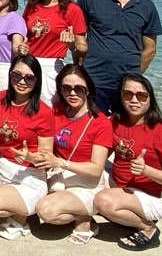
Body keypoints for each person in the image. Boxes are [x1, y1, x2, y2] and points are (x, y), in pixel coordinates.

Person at [94, 73, 162, 251]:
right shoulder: (116, 122)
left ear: (150, 98)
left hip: (153, 197)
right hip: (121, 185)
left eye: (141, 95)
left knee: (102, 201)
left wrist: (146, 170)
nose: (134, 100)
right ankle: (126, 216)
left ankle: (148, 228)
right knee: (83, 176)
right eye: (128, 94)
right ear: (120, 97)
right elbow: (101, 154)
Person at [76, 0, 162, 113]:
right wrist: (80, 72)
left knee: (124, 134)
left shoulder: (147, 6)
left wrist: (134, 76)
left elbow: (150, 49)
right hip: (93, 81)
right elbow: (78, 39)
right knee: (93, 131)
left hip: (128, 88)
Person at [32, 64, 113, 245]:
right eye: (66, 88)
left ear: (88, 89)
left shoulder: (100, 122)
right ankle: (79, 211)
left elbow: (96, 169)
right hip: (59, 176)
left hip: (86, 180)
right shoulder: (58, 111)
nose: (72, 93)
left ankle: (85, 219)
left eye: (79, 88)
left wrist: (61, 163)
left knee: (46, 211)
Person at [0, 58, 54, 239]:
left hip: (29, 176)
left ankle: (21, 219)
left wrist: (31, 157)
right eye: (16, 75)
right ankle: (13, 210)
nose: (22, 81)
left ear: (37, 81)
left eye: (29, 78)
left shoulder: (43, 112)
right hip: (2, 168)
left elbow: (46, 156)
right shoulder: (1, 98)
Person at [20, 0, 87, 105]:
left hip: (52, 68)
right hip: (28, 65)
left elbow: (82, 48)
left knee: (49, 110)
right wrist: (21, 47)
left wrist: (72, 46)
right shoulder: (31, 7)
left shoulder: (72, 10)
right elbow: (25, 37)